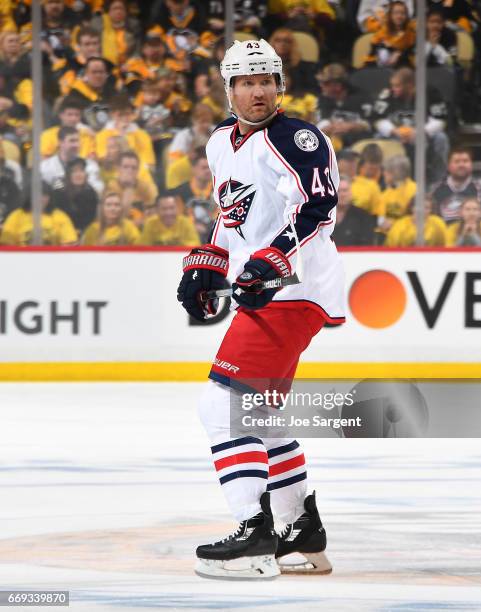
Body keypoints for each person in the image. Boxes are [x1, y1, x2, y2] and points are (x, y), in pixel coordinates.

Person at [177, 39, 345, 580]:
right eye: (246, 82)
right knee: (259, 416)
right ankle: (300, 530)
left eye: (266, 80)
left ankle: (254, 531)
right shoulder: (220, 142)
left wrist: (273, 260)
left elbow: (318, 208)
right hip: (271, 290)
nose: (258, 91)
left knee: (220, 407)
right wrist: (206, 264)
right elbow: (232, 216)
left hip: (295, 289)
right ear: (228, 90)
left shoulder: (296, 137)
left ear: (279, 86)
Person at [372, 67, 450, 183]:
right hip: (396, 135)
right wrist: (394, 131)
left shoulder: (431, 93)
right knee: (377, 138)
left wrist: (420, 132)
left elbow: (441, 120)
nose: (393, 89)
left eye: (397, 86)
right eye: (392, 85)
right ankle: (382, 182)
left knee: (441, 138)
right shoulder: (387, 93)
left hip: (423, 134)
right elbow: (377, 119)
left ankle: (437, 182)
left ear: (410, 85)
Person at [0, 181, 77, 246]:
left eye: (45, 195)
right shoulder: (16, 216)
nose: (41, 199)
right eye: (37, 195)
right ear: (29, 197)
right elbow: (6, 245)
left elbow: (70, 244)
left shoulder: (59, 216)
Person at [40, 126, 104, 194]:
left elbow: (98, 189)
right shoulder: (45, 167)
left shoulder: (90, 165)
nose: (76, 145)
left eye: (77, 141)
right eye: (72, 141)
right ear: (60, 142)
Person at [431, 147, 481, 224]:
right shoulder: (435, 189)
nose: (461, 165)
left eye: (465, 161)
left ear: (471, 165)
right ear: (448, 166)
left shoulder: (479, 187)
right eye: (457, 162)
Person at [51, 157, 99, 234]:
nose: (78, 174)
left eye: (81, 170)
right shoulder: (59, 192)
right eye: (74, 171)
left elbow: (90, 220)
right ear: (68, 174)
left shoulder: (90, 193)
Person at [363, 0, 416, 68]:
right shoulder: (382, 32)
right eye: (396, 13)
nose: (399, 16)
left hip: (402, 67)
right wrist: (385, 49)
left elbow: (411, 53)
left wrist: (399, 54)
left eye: (402, 13)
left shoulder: (410, 34)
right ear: (390, 15)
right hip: (379, 68)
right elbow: (373, 52)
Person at [332, 175, 375, 245]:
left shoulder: (364, 217)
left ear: (351, 192)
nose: (342, 194)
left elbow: (367, 244)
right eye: (338, 191)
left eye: (345, 190)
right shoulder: (324, 216)